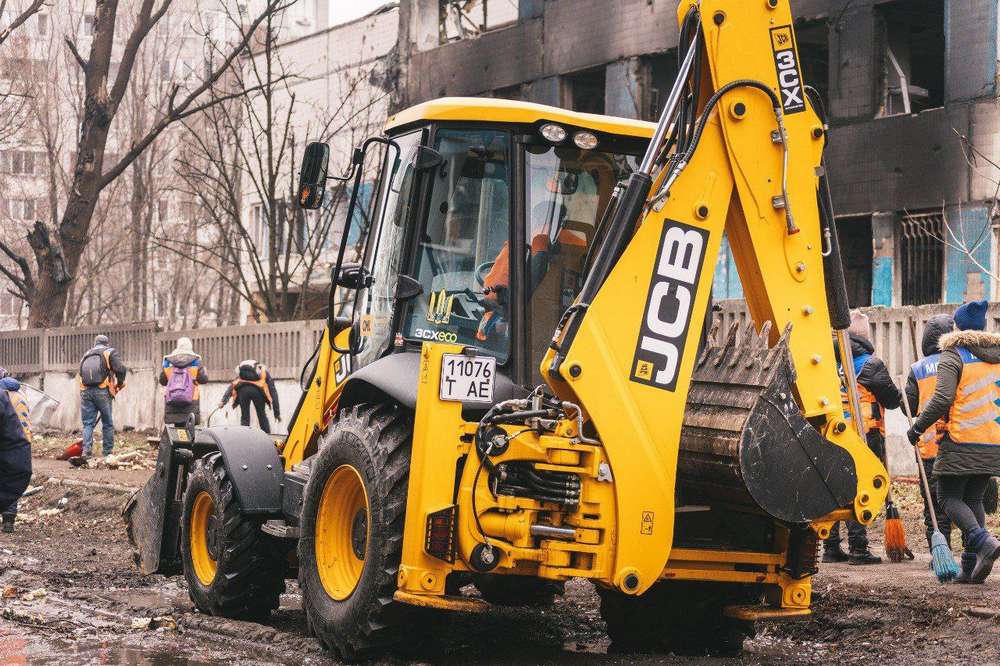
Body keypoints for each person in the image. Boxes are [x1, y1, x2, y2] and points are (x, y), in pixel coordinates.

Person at [908, 300, 1000, 584]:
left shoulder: (954, 354)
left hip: (960, 441)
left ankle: (984, 542)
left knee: (947, 498)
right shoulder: (995, 356)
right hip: (992, 442)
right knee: (973, 499)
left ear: (958, 327)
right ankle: (971, 567)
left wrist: (918, 428)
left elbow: (942, 398)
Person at [824, 311, 902, 565]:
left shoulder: (826, 362)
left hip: (833, 434)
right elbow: (891, 399)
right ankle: (858, 549)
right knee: (859, 487)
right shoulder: (869, 364)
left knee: (834, 487)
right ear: (864, 336)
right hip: (863, 434)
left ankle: (831, 547)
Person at [904, 314, 955, 551]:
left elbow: (909, 408)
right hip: (958, 445)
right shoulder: (961, 360)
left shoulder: (918, 369)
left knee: (934, 504)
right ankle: (971, 555)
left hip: (929, 448)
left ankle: (939, 553)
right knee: (962, 500)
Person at [77, 334, 127, 458]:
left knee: (88, 423)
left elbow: (80, 372)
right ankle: (107, 453)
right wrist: (119, 383)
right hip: (102, 390)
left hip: (85, 391)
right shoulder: (109, 352)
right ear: (107, 343)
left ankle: (86, 451)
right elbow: (121, 369)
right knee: (107, 422)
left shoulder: (86, 354)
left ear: (95, 343)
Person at [0, 368, 31, 534]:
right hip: (20, 441)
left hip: (5, 440)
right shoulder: (20, 396)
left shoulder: (2, 397)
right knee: (10, 480)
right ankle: (9, 519)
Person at [219, 360, 280, 434]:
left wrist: (223, 401)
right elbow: (273, 391)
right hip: (258, 392)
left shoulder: (242, 375)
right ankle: (267, 435)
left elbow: (231, 387)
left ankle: (244, 437)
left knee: (245, 417)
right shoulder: (264, 372)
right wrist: (277, 413)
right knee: (262, 415)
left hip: (243, 391)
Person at [159, 337, 208, 427]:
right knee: (189, 433)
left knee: (177, 432)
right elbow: (203, 379)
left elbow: (162, 381)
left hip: (173, 399)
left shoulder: (168, 362)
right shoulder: (196, 361)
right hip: (191, 400)